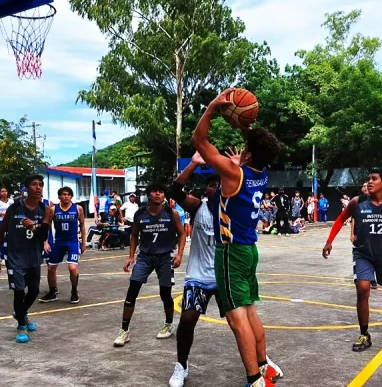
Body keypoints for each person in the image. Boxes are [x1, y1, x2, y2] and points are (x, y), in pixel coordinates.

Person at [191, 89, 284, 387]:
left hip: (230, 252)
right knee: (250, 311)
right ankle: (263, 367)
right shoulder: (260, 172)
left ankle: (254, 379)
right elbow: (251, 146)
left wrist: (214, 107)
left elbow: (199, 141)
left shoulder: (233, 173)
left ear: (248, 153)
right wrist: (244, 127)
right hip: (249, 251)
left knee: (236, 318)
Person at [322, 170, 382, 352]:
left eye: (374, 179)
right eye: (368, 179)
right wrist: (329, 241)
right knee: (363, 289)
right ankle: (365, 334)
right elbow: (340, 220)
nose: (369, 182)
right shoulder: (358, 202)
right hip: (363, 254)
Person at [167, 154, 222, 387]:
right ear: (206, 190)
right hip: (198, 276)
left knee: (242, 322)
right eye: (211, 185)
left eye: (221, 184)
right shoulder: (198, 207)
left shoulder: (235, 209)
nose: (216, 188)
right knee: (188, 319)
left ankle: (259, 360)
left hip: (224, 276)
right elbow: (175, 191)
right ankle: (181, 365)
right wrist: (194, 164)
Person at [114, 183, 186, 347]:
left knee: (165, 293)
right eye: (154, 191)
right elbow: (134, 235)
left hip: (165, 257)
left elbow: (182, 234)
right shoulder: (140, 214)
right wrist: (131, 256)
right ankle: (124, 330)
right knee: (132, 291)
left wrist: (179, 254)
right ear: (148, 195)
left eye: (161, 191)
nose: (158, 194)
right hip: (145, 257)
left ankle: (168, 324)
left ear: (164, 196)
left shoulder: (171, 213)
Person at [0, 174, 53, 343]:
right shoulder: (15, 207)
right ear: (27, 188)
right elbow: (0, 232)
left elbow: (43, 236)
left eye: (41, 184)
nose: (38, 187)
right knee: (19, 292)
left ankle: (21, 313)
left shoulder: (45, 209)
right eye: (34, 184)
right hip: (15, 256)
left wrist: (33, 227)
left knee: (33, 291)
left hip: (34, 256)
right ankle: (21, 326)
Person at [39, 187, 86, 304]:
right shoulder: (53, 209)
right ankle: (52, 291)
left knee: (72, 268)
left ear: (71, 196)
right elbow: (47, 226)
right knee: (51, 268)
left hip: (72, 242)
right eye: (64, 194)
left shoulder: (78, 208)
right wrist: (45, 242)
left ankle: (74, 291)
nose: (66, 196)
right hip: (59, 243)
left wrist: (84, 242)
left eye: (69, 194)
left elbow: (83, 225)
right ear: (59, 196)